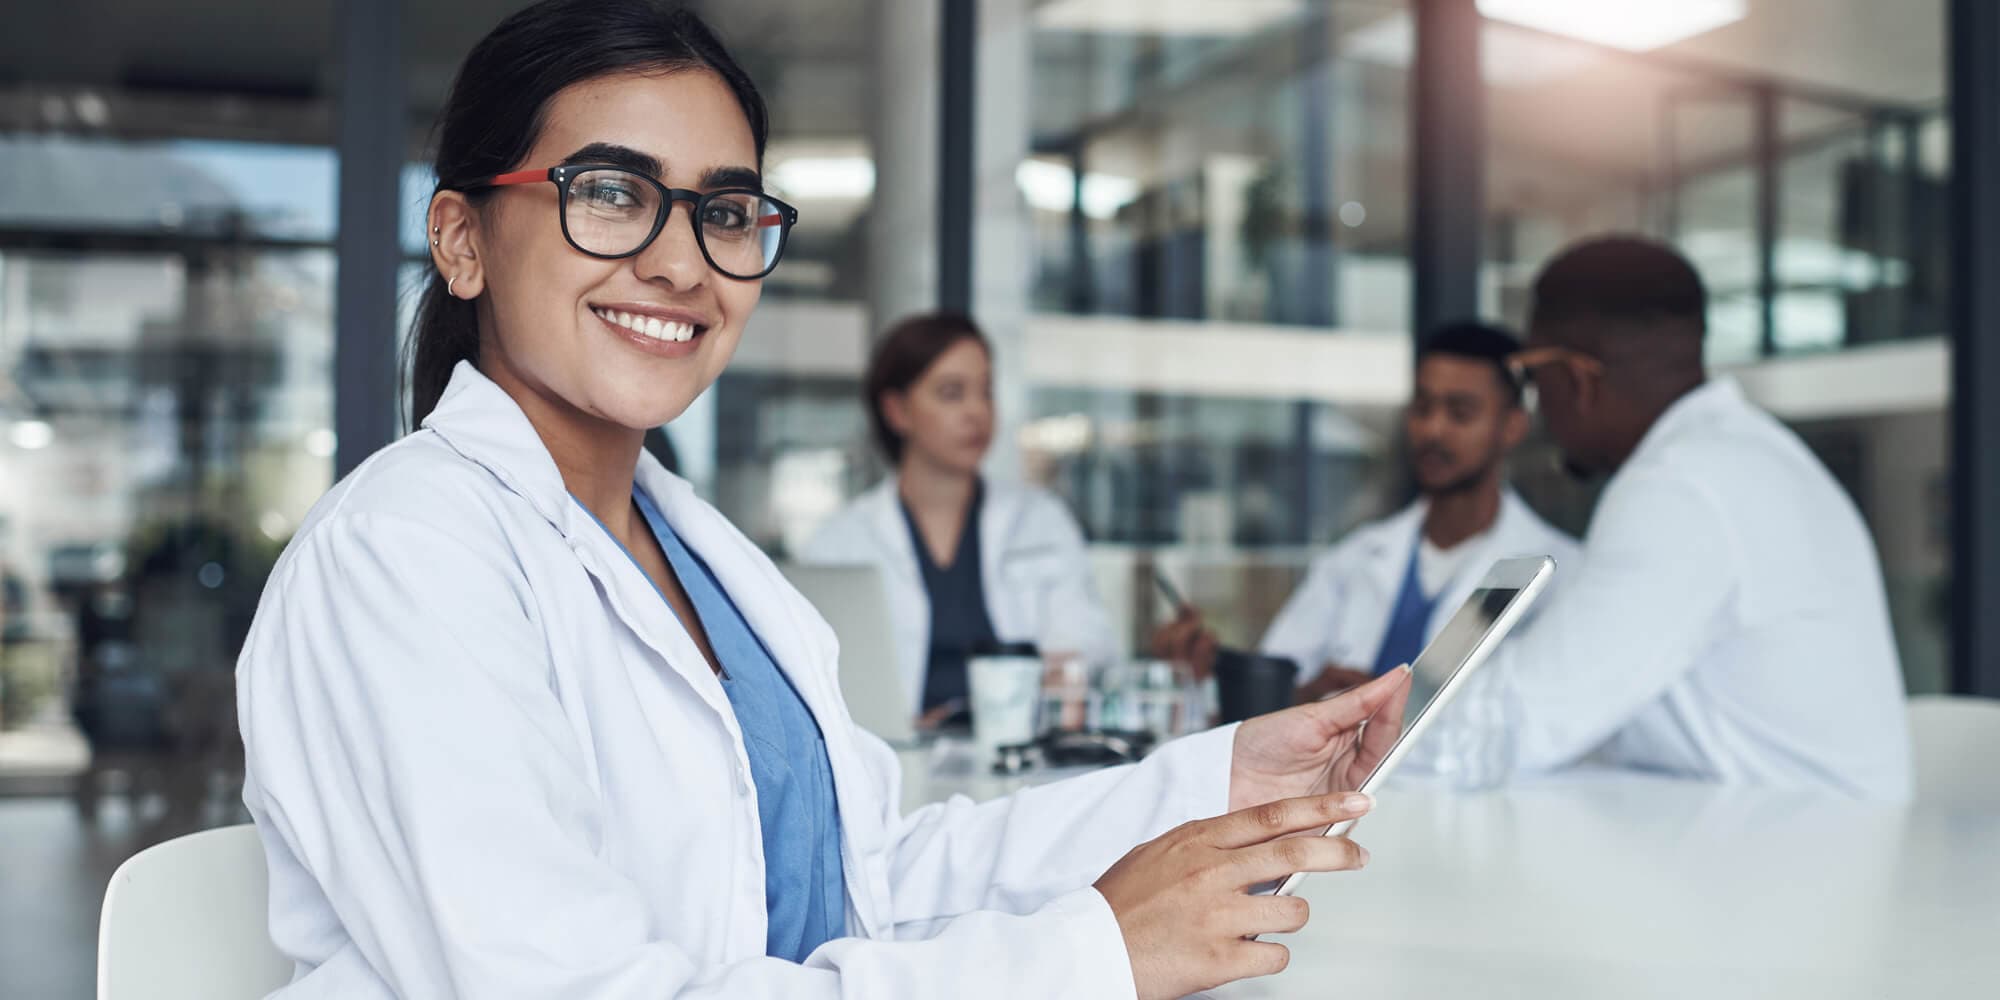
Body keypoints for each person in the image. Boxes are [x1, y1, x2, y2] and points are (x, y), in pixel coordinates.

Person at [232, 3, 1417, 998]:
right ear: (461, 241)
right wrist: (1090, 953)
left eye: (724, 211)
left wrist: (1213, 785)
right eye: (611, 192)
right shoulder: (400, 555)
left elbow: (869, 879)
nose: (680, 263)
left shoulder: (694, 551)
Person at [1470, 235, 1911, 800]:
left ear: (1578, 378)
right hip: (1784, 828)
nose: (1537, 409)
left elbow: (1515, 726)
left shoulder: (1679, 488)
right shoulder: (1745, 456)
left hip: (1800, 843)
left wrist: (1379, 720)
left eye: (1532, 379)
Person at [1154, 321, 1579, 703]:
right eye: (1422, 408)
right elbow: (1272, 686)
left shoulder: (1561, 574)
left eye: (1460, 413)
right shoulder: (1354, 559)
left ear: (1513, 426)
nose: (1433, 429)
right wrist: (1300, 695)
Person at [799, 312, 1118, 728]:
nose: (977, 411)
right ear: (897, 411)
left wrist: (1063, 677)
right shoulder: (840, 542)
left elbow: (1090, 648)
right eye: (952, 393)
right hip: (890, 755)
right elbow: (816, 679)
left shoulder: (1041, 520)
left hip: (1019, 750)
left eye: (986, 392)